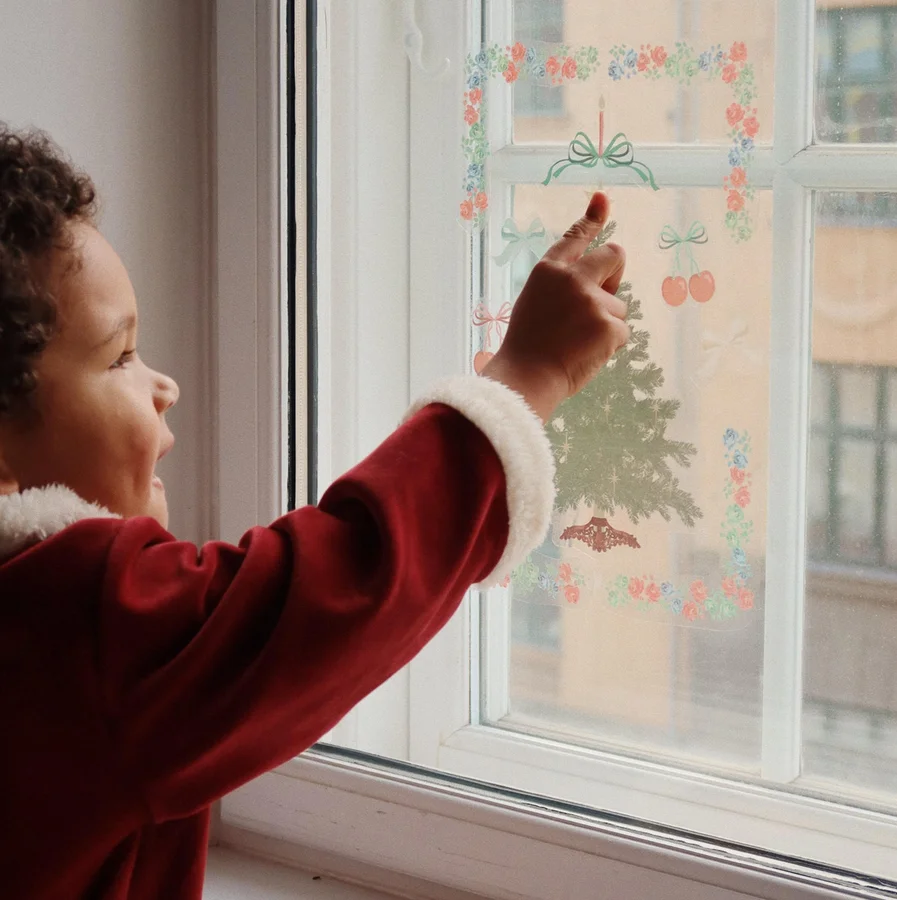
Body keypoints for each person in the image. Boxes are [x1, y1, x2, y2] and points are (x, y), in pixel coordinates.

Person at [0, 125, 629, 899]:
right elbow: (330, 591)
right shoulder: (64, 618)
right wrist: (527, 375)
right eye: (120, 357)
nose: (164, 386)